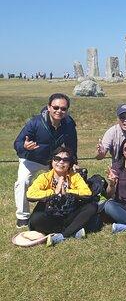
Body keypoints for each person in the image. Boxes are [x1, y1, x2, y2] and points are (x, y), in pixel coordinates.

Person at [13, 93, 77, 228]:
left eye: (63, 109)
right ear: (49, 107)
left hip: (53, 160)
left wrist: (73, 162)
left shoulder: (69, 123)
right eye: (56, 107)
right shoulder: (35, 122)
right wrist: (24, 147)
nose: (59, 111)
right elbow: (17, 143)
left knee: (67, 180)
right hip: (31, 158)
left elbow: (72, 145)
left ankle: (59, 210)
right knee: (22, 182)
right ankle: (22, 217)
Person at [26, 147, 97, 246]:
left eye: (65, 160)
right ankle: (73, 231)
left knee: (92, 207)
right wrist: (54, 192)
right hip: (50, 216)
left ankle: (62, 235)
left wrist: (67, 191)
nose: (61, 162)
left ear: (70, 164)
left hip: (69, 215)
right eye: (57, 158)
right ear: (52, 161)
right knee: (35, 219)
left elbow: (86, 193)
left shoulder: (75, 176)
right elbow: (30, 194)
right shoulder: (44, 177)